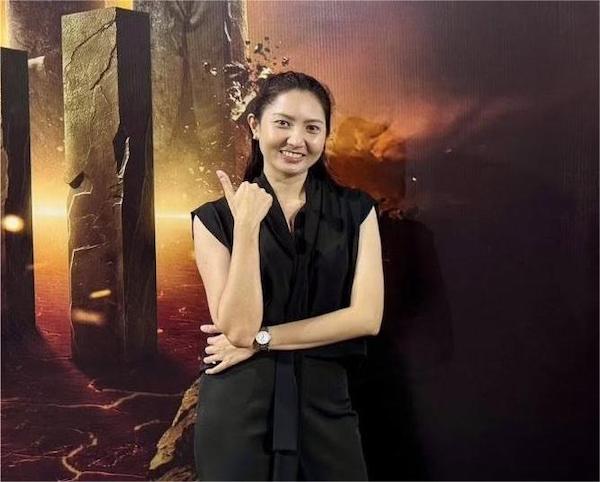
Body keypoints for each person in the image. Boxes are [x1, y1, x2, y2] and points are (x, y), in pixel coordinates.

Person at [190, 71, 384, 481]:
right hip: (238, 407)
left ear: (325, 135)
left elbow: (366, 317)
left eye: (312, 128)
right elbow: (237, 327)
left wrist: (262, 340)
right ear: (255, 125)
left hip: (326, 403)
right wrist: (246, 229)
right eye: (283, 123)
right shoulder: (213, 218)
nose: (297, 140)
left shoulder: (357, 211)